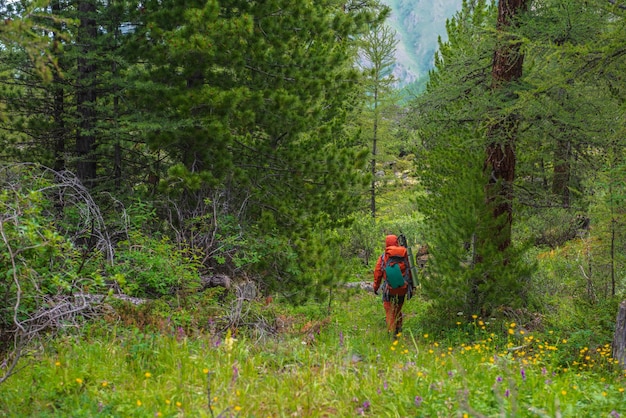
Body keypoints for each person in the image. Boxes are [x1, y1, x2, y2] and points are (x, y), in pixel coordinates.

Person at [373, 234, 413, 337]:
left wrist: (375, 287)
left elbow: (378, 273)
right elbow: (410, 270)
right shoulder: (405, 254)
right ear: (397, 242)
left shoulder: (383, 257)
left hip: (389, 289)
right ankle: (399, 328)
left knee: (389, 308)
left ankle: (392, 333)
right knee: (398, 308)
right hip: (403, 288)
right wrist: (412, 286)